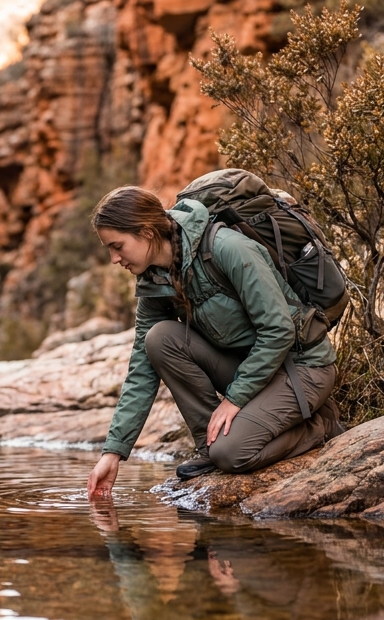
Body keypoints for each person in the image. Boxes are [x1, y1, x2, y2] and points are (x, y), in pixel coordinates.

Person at [86, 186, 343, 499]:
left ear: (146, 232)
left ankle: (320, 426)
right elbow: (142, 368)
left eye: (118, 246)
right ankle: (207, 444)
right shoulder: (154, 280)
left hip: (302, 366)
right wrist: (113, 453)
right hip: (252, 370)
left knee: (232, 454)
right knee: (159, 339)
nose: (114, 259)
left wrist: (234, 399)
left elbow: (279, 330)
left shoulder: (227, 247)